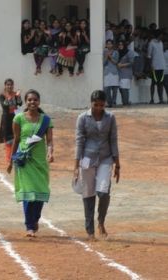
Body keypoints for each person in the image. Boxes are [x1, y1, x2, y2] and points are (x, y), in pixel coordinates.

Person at [74, 90, 120, 241]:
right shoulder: (82, 118)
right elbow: (79, 141)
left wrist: (117, 163)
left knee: (103, 192)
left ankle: (101, 221)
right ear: (91, 103)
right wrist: (76, 165)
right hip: (87, 158)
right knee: (88, 194)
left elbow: (113, 139)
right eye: (96, 105)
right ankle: (90, 231)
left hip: (106, 158)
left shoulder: (110, 118)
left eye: (102, 105)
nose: (99, 108)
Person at [7, 89, 53, 238]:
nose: (32, 102)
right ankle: (29, 226)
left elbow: (50, 140)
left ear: (39, 102)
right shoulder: (19, 119)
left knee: (39, 193)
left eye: (35, 100)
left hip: (39, 161)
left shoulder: (46, 120)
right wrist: (11, 159)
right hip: (24, 161)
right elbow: (16, 139)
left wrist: (50, 152)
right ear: (26, 102)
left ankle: (35, 219)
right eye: (29, 100)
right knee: (28, 194)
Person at [0, 79, 22, 163]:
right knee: (7, 138)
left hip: (16, 117)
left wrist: (18, 97)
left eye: (11, 85)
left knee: (17, 135)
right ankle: (9, 158)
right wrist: (10, 98)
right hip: (6, 118)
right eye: (8, 85)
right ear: (5, 86)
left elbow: (20, 103)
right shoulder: (2, 95)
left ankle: (16, 155)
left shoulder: (16, 94)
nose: (9, 86)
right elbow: (4, 106)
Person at [147, 30, 166, 104]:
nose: (163, 36)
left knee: (160, 83)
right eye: (161, 35)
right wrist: (150, 65)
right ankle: (152, 99)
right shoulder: (151, 43)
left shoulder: (161, 43)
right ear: (158, 35)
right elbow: (149, 56)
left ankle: (160, 99)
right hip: (154, 66)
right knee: (153, 82)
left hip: (161, 65)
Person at [117, 40, 135, 106]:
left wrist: (122, 65)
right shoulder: (117, 52)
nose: (120, 46)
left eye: (121, 44)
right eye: (119, 45)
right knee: (121, 89)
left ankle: (125, 103)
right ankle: (125, 102)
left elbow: (132, 62)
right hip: (119, 73)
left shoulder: (129, 52)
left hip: (126, 73)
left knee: (124, 89)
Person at [103, 40, 120, 107]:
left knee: (115, 88)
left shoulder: (116, 52)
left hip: (114, 72)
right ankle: (109, 102)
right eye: (108, 44)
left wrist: (110, 57)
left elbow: (116, 62)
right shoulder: (104, 52)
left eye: (110, 44)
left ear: (112, 45)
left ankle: (114, 102)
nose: (109, 45)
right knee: (107, 88)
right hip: (107, 72)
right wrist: (106, 57)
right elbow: (103, 63)